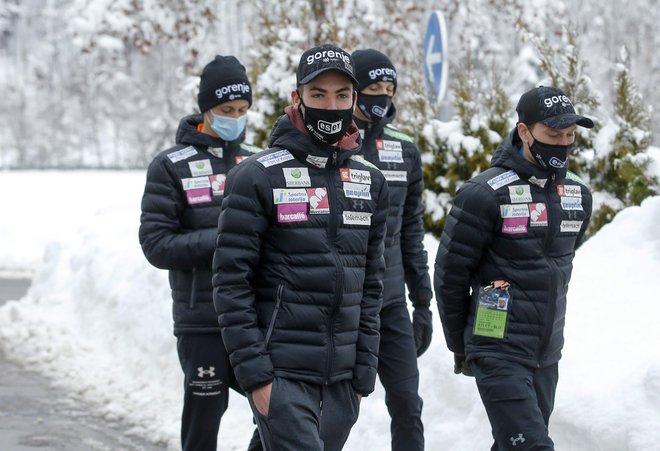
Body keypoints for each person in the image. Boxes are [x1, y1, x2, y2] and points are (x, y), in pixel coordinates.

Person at [212, 44, 389, 451]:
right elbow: (230, 283)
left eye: (342, 95)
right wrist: (256, 377)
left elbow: (371, 284)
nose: (332, 105)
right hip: (282, 373)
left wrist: (363, 373)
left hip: (342, 382)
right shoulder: (256, 176)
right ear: (297, 99)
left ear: (355, 101)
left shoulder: (371, 182)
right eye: (318, 95)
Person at [434, 86, 594, 450]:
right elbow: (450, 275)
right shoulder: (483, 192)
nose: (562, 144)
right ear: (524, 132)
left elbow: (558, 261)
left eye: (569, 136)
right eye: (552, 135)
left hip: (547, 352)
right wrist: (462, 345)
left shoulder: (578, 194)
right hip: (496, 347)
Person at [138, 55, 261, 451]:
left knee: (283, 413)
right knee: (203, 426)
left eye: (243, 110)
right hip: (202, 321)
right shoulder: (170, 166)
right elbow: (156, 244)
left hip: (254, 319)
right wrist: (222, 239)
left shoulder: (261, 162)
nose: (236, 118)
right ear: (206, 109)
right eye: (227, 110)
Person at [350, 48, 432, 451]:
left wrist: (423, 302)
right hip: (341, 303)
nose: (381, 96)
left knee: (406, 403)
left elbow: (411, 231)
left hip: (391, 301)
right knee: (327, 410)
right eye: (372, 88)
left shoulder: (405, 150)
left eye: (388, 88)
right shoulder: (332, 143)